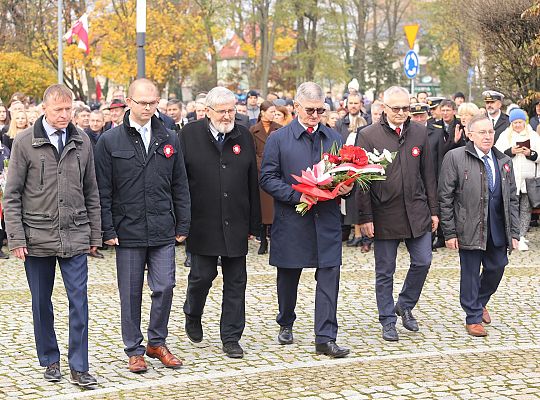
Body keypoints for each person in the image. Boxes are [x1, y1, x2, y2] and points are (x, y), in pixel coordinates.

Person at [3, 84, 101, 386]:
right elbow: (13, 194)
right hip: (36, 238)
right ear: (45, 109)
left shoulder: (82, 140)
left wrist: (94, 235)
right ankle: (50, 360)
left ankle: (79, 365)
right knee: (41, 303)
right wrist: (17, 238)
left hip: (75, 234)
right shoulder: (24, 142)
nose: (64, 115)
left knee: (79, 302)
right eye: (58, 109)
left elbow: (92, 191)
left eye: (68, 109)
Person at [94, 78, 191, 373]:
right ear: (128, 101)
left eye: (153, 102)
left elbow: (180, 183)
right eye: (142, 102)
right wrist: (107, 229)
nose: (148, 107)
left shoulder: (170, 136)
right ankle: (134, 350)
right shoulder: (110, 141)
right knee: (131, 293)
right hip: (128, 229)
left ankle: (156, 342)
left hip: (162, 225)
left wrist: (183, 222)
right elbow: (103, 189)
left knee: (165, 286)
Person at [260, 81, 353, 358]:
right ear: (296, 107)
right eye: (310, 110)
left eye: (320, 110)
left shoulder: (334, 137)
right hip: (292, 219)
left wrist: (346, 186)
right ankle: (286, 320)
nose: (315, 115)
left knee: (329, 276)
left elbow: (344, 174)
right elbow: (267, 178)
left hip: (326, 220)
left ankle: (325, 337)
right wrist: (295, 195)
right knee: (288, 276)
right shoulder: (279, 138)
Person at [180, 86, 261, 359]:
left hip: (236, 220)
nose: (227, 116)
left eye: (231, 110)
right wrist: (181, 220)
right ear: (208, 111)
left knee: (236, 281)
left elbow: (252, 181)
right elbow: (179, 181)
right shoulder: (189, 135)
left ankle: (231, 336)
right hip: (202, 221)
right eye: (222, 111)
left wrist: (254, 224)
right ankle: (192, 311)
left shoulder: (243, 136)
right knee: (202, 276)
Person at [357, 86, 438, 342]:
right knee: (385, 270)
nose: (402, 113)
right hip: (384, 212)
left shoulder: (420, 132)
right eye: (397, 108)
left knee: (423, 260)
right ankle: (387, 320)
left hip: (416, 209)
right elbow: (361, 181)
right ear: (384, 107)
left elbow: (429, 174)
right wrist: (364, 217)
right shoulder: (368, 135)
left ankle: (404, 304)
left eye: (406, 108)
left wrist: (434, 211)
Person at [438, 114, 519, 337]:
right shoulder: (455, 157)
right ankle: (472, 317)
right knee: (471, 273)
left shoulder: (503, 161)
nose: (487, 136)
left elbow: (511, 198)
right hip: (469, 226)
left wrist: (514, 232)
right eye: (482, 132)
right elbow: (445, 197)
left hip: (496, 227)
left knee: (497, 267)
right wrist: (450, 232)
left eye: (490, 132)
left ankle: (481, 300)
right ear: (470, 134)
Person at [494, 108, 540, 250]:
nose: (518, 125)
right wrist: (510, 152)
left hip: (528, 179)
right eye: (515, 123)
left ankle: (521, 236)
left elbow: (539, 155)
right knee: (510, 207)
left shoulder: (533, 136)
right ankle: (511, 235)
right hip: (511, 178)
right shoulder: (505, 136)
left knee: (526, 209)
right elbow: (497, 153)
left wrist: (530, 153)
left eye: (520, 122)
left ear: (524, 122)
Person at [250, 101, 281, 255]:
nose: (273, 115)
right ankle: (263, 241)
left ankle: (275, 241)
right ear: (262, 112)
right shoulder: (253, 130)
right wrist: (263, 164)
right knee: (262, 210)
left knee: (274, 210)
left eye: (275, 112)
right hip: (259, 173)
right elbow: (252, 152)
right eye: (270, 111)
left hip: (275, 172)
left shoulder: (279, 129)